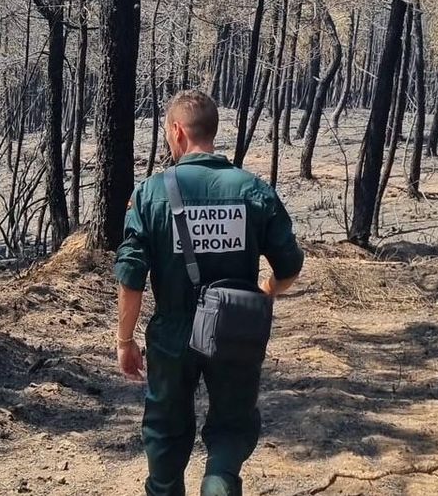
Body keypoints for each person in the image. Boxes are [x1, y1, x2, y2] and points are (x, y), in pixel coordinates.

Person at [113, 89, 304, 496]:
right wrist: (266, 291)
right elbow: (290, 266)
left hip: (173, 334)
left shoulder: (150, 193)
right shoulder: (254, 190)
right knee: (231, 430)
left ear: (178, 131)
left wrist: (125, 340)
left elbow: (131, 277)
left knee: (164, 431)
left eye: (168, 131)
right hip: (235, 330)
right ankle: (218, 484)